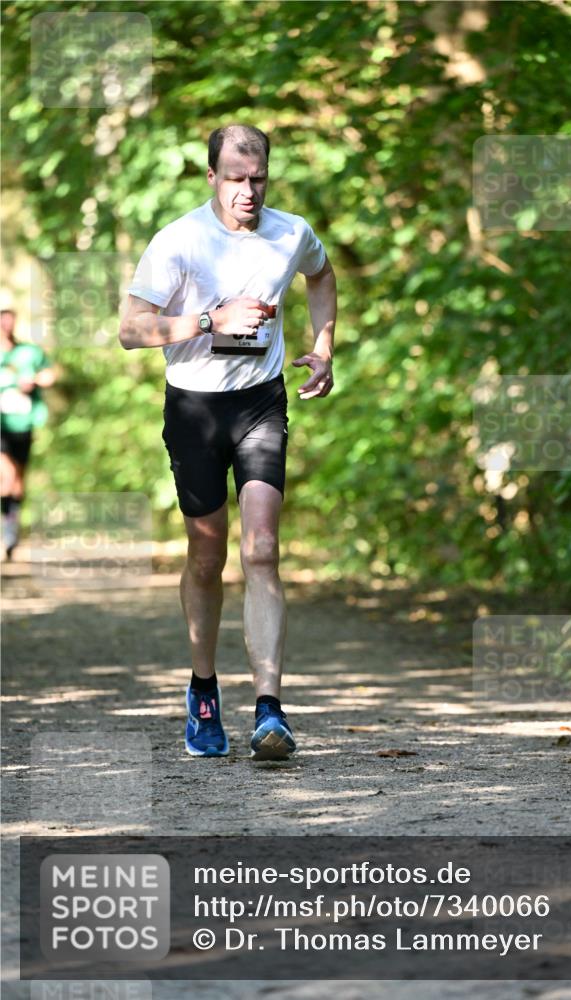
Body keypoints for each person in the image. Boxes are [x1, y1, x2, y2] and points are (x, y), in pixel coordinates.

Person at [119, 124, 337, 761]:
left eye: (258, 179)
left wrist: (323, 348)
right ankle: (204, 689)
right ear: (212, 177)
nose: (248, 191)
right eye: (236, 179)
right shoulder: (179, 241)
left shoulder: (291, 232)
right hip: (194, 407)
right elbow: (131, 330)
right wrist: (212, 319)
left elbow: (321, 278)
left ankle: (270, 709)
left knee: (263, 548)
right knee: (207, 556)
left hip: (261, 401)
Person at [0, 302, 56, 560]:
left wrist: (32, 380)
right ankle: (5, 532)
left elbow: (49, 375)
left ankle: (11, 529)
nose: (6, 323)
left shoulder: (29, 352)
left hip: (23, 424)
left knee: (18, 480)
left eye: (9, 318)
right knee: (6, 474)